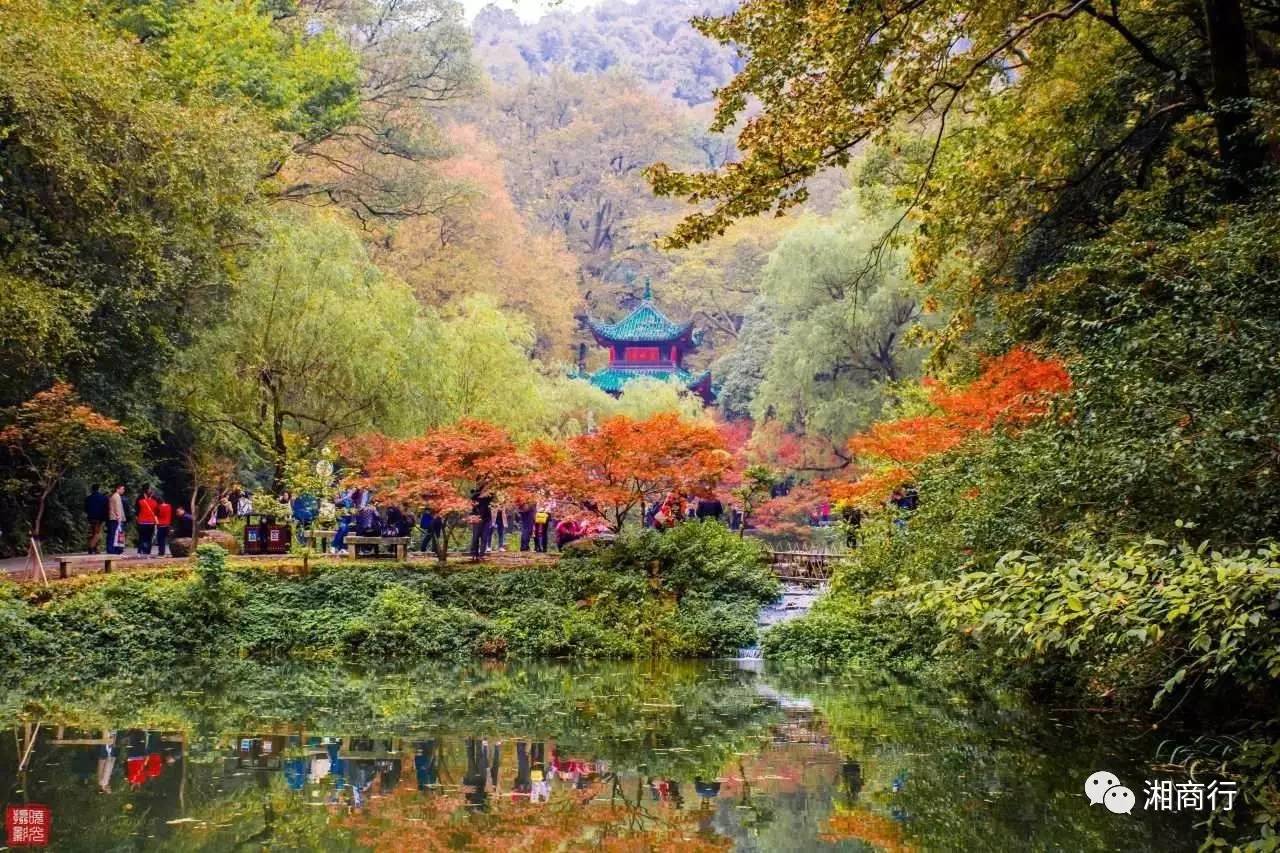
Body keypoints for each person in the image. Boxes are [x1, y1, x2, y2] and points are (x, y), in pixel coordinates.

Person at [85, 485, 109, 554]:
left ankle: (96, 549)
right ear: (99, 489)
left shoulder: (88, 498)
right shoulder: (103, 498)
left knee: (93, 533)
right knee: (97, 534)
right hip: (99, 518)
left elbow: (85, 508)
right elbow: (106, 509)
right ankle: (91, 546)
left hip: (90, 517)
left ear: (92, 489)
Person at [469, 490, 493, 560]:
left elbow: (492, 495)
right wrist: (480, 493)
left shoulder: (488, 496)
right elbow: (472, 497)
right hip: (477, 518)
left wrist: (486, 493)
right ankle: (474, 553)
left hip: (486, 519)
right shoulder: (476, 496)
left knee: (484, 537)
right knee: (476, 537)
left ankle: (482, 554)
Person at [136, 486, 158, 556]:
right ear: (151, 495)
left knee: (141, 537)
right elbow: (157, 511)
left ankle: (139, 552)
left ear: (145, 495)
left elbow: (137, 511)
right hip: (151, 522)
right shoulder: (155, 503)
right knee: (149, 538)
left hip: (141, 522)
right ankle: (148, 553)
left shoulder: (140, 502)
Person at [106, 484, 127, 555]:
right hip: (116, 519)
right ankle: (114, 550)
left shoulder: (113, 496)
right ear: (118, 489)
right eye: (122, 489)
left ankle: (112, 549)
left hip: (113, 518)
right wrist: (119, 518)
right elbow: (118, 508)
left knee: (113, 534)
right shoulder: (117, 497)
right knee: (115, 535)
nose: (123, 491)